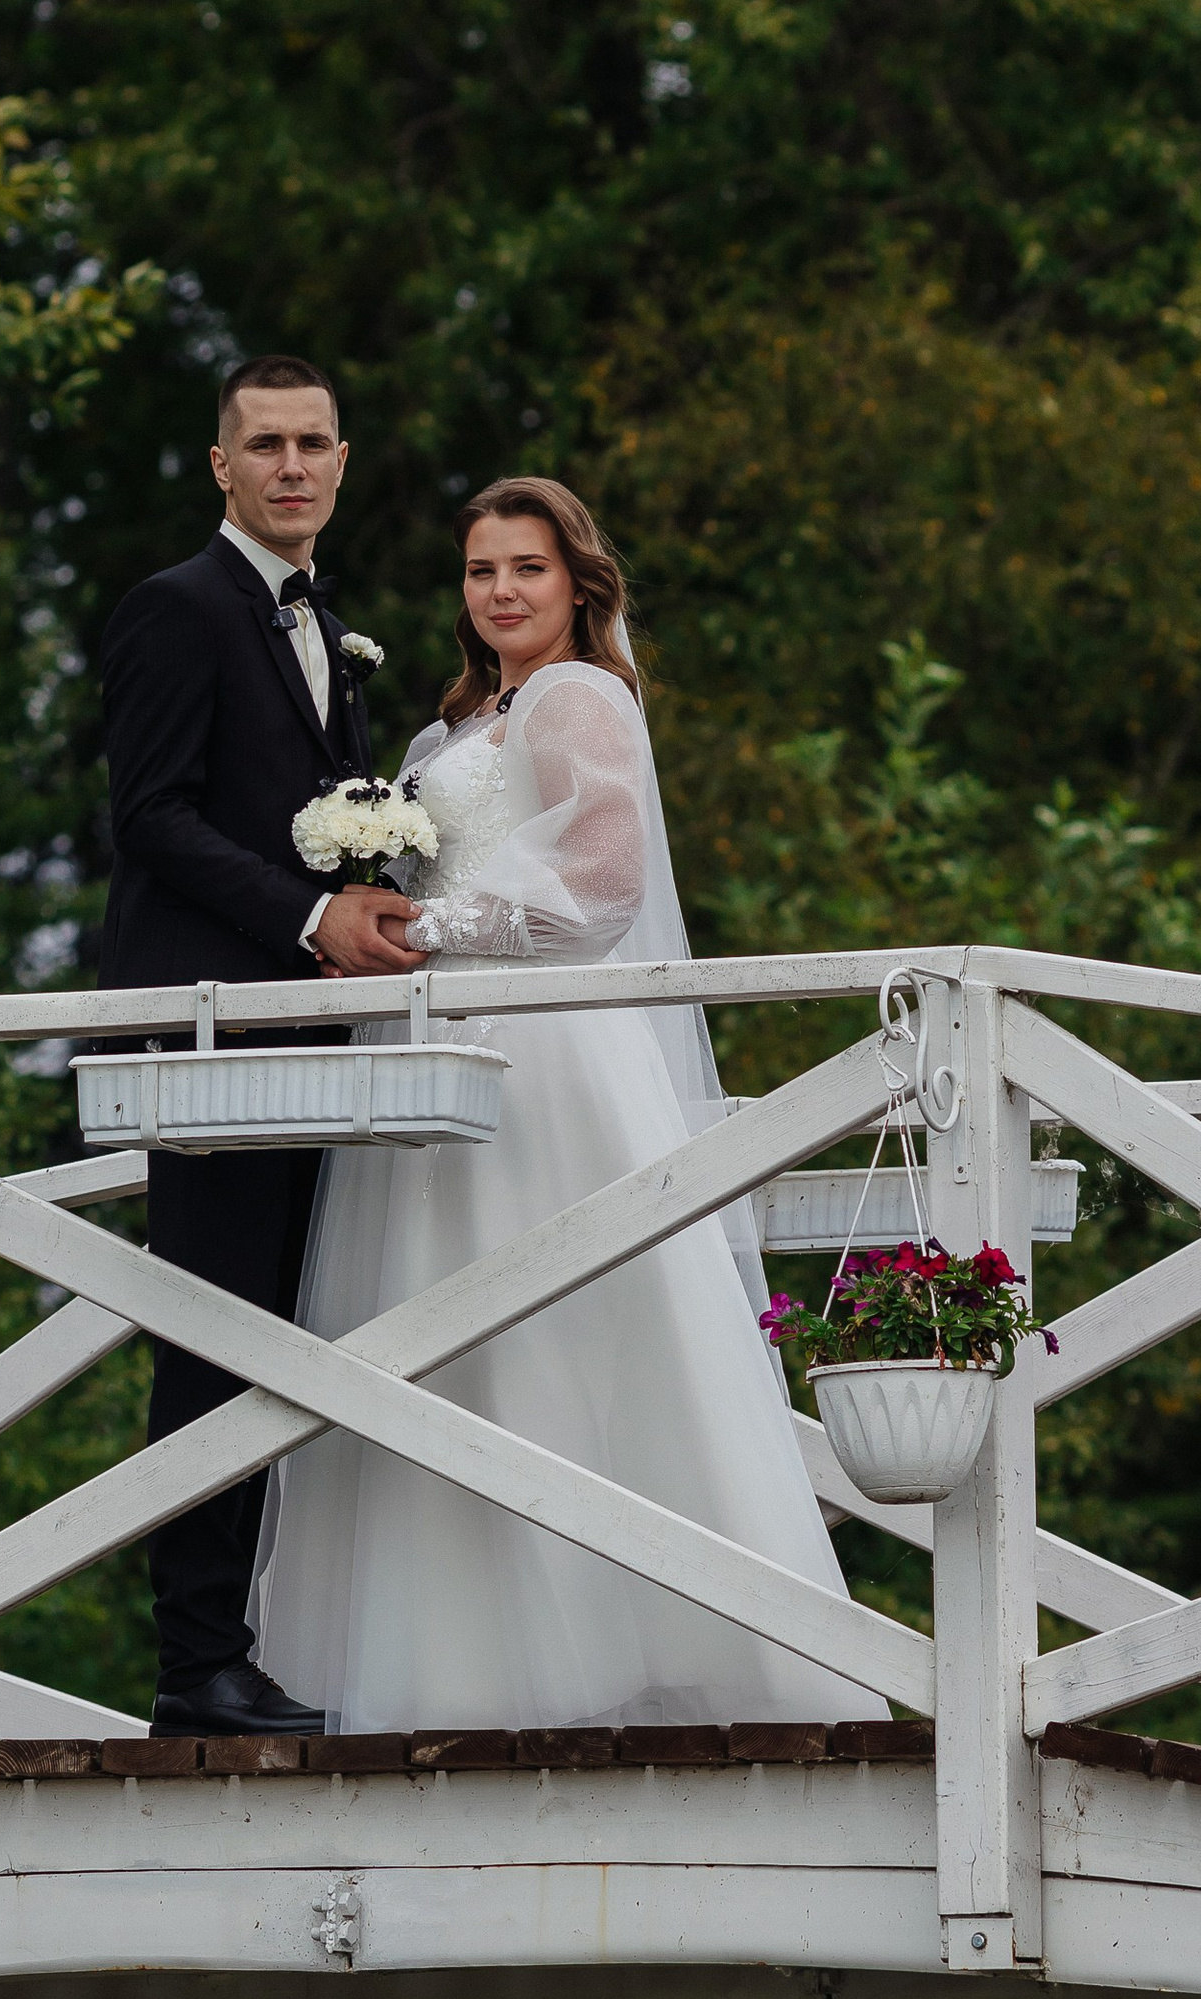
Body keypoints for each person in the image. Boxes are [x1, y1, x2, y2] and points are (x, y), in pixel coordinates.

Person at [255, 476, 884, 1733]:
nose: (500, 592)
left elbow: (600, 887)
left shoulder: (582, 699)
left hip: (549, 1058)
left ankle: (642, 1647)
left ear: (577, 584)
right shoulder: (447, 731)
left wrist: (421, 928)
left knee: (569, 1332)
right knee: (450, 1343)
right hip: (442, 1051)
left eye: (526, 569)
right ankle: (467, 1667)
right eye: (481, 570)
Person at [96, 353, 411, 1737]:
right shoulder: (174, 611)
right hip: (217, 1031)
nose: (292, 466)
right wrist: (310, 922)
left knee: (287, 1332)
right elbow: (151, 818)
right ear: (220, 467)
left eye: (314, 443)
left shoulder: (325, 622)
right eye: (265, 444)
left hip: (305, 1035)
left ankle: (248, 1640)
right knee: (213, 1342)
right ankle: (194, 1666)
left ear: (343, 464)